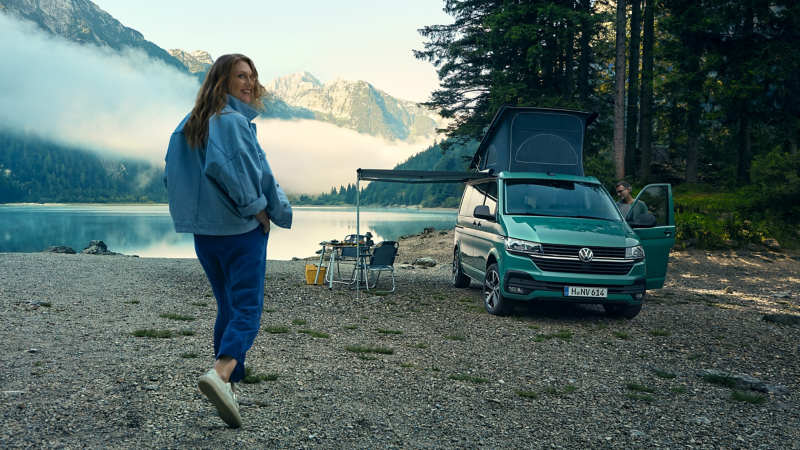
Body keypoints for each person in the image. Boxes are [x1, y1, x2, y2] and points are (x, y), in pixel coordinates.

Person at [163, 53, 292, 428]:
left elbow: (170, 177)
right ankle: (219, 374)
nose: (249, 83)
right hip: (241, 231)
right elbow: (239, 173)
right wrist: (260, 212)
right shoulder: (232, 121)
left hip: (205, 235)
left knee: (227, 308)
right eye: (241, 76)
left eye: (251, 76)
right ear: (222, 81)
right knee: (248, 310)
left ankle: (228, 392)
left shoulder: (187, 125)